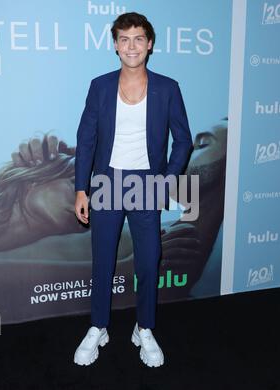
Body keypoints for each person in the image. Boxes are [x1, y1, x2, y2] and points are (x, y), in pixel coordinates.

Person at [74, 12, 193, 368]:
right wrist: (81, 189)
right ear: (114, 45)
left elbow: (184, 142)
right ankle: (99, 327)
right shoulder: (100, 85)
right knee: (103, 259)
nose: (131, 46)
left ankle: (145, 328)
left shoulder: (168, 87)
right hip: (107, 180)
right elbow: (85, 140)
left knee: (148, 259)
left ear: (150, 43)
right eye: (124, 39)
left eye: (138, 38)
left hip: (146, 183)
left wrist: (165, 180)